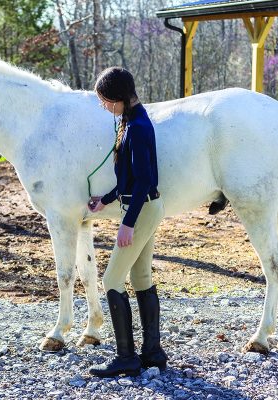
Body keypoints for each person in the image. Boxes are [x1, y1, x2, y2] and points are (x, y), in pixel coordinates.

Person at [87, 67, 167, 378]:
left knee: (111, 280)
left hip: (142, 209)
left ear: (120, 98)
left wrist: (128, 224)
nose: (103, 105)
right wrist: (105, 200)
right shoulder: (130, 121)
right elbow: (129, 179)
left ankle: (126, 357)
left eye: (106, 100)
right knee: (141, 277)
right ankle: (152, 353)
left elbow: (145, 180)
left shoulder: (138, 128)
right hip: (142, 206)